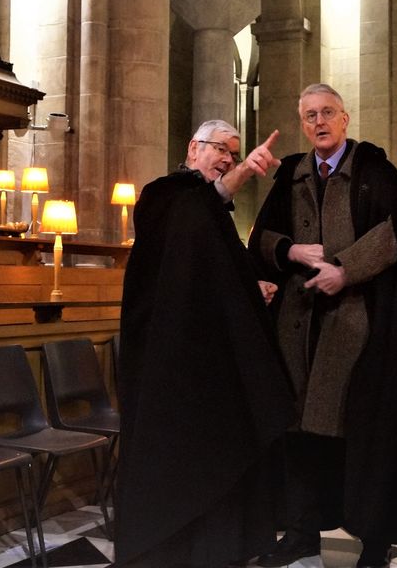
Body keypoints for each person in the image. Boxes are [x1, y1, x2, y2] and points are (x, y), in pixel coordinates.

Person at [248, 84, 397, 568]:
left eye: (327, 113)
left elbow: (393, 237)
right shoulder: (291, 174)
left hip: (358, 329)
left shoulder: (375, 171)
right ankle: (303, 531)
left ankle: (372, 539)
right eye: (309, 116)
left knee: (360, 434)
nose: (319, 123)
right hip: (298, 331)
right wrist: (291, 251)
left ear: (345, 119)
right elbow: (260, 238)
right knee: (301, 433)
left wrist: (344, 270)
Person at [116, 120, 294, 567]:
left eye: (234, 155)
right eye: (221, 150)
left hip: (208, 360)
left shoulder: (211, 213)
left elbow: (210, 275)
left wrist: (248, 287)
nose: (227, 160)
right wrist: (243, 175)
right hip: (170, 363)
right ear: (193, 147)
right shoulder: (164, 195)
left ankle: (223, 547)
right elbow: (189, 228)